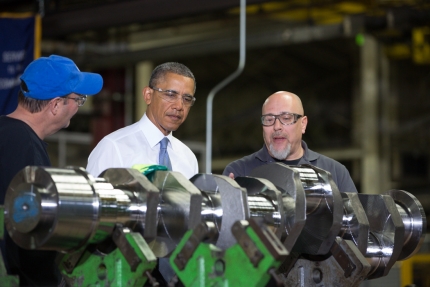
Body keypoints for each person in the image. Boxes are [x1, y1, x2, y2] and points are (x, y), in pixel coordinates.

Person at [0, 54, 103, 286]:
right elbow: (26, 233)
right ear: (56, 105)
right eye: (79, 99)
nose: (78, 106)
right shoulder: (25, 147)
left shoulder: (7, 132)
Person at [223, 91, 357, 193]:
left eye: (286, 118)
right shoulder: (239, 172)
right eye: (269, 119)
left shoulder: (335, 172)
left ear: (303, 124)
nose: (277, 126)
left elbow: (354, 227)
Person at [86, 62, 198, 179]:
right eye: (170, 95)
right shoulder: (114, 147)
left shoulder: (188, 159)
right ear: (148, 95)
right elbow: (91, 197)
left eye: (187, 99)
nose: (179, 106)